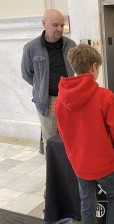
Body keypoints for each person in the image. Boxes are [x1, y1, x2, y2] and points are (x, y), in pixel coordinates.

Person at [55, 44, 114, 224]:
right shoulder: (105, 96)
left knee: (87, 202)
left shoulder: (60, 100)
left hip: (79, 163)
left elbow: (63, 133)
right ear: (94, 67)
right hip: (104, 163)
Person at [21, 9, 76, 154]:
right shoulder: (31, 48)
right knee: (50, 140)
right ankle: (54, 174)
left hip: (69, 100)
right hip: (47, 101)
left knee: (70, 137)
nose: (59, 29)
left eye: (62, 26)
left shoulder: (71, 45)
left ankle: (70, 171)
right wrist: (42, 87)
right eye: (55, 25)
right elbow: (26, 74)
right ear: (44, 24)